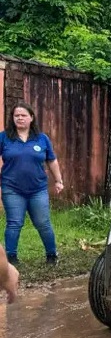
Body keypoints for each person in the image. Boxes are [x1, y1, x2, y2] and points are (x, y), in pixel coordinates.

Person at [1, 102, 64, 266]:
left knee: (43, 223)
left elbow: (52, 160)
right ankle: (11, 259)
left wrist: (58, 180)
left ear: (31, 117)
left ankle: (52, 255)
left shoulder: (42, 139)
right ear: (12, 118)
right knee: (14, 223)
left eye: (23, 115)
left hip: (38, 190)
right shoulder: (4, 137)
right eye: (16, 116)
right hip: (12, 188)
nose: (20, 118)